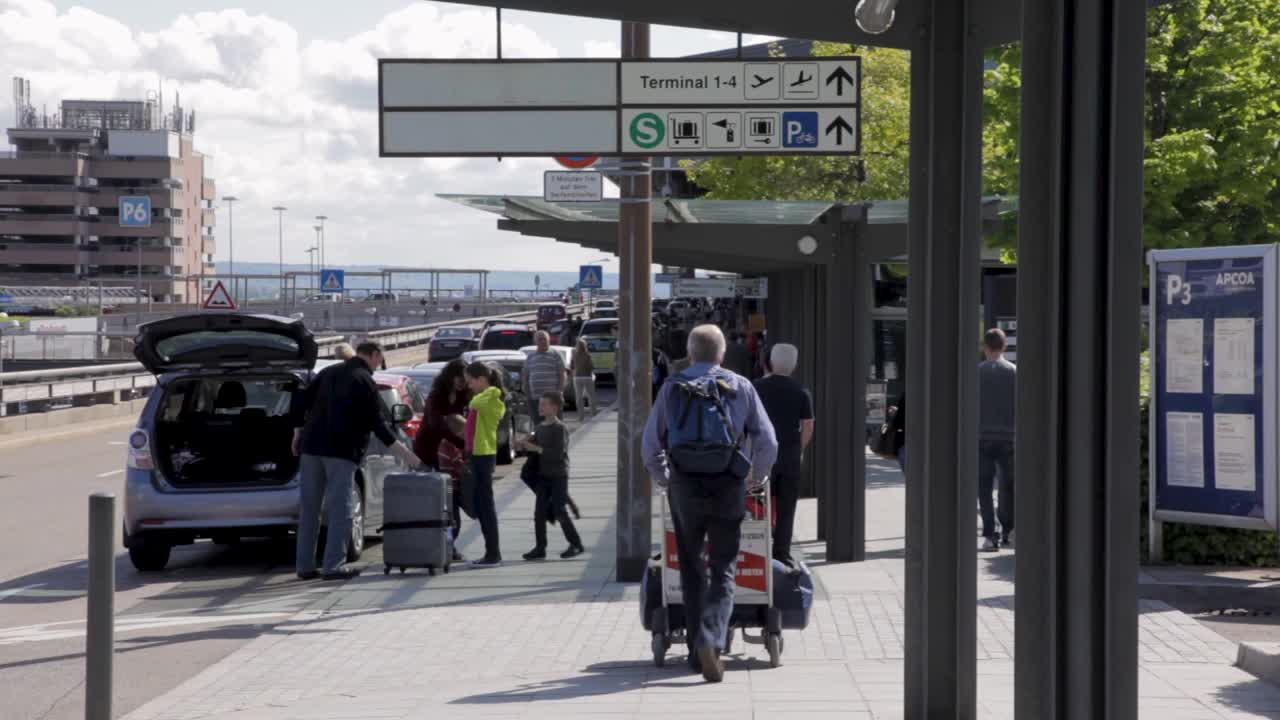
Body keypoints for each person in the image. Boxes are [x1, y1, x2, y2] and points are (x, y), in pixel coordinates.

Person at [642, 324, 778, 683]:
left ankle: (693, 652)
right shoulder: (741, 386)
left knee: (690, 567)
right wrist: (756, 477)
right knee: (723, 567)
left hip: (685, 485)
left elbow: (649, 445)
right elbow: (768, 441)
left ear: (689, 354)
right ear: (721, 354)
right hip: (728, 485)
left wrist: (665, 479)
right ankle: (712, 640)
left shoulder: (671, 387)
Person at [292, 342, 420, 581]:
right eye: (378, 360)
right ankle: (333, 566)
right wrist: (407, 455)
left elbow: (300, 402)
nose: (377, 366)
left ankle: (305, 566)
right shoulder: (364, 380)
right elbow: (377, 424)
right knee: (341, 508)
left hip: (311, 447)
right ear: (373, 355)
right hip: (341, 450)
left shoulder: (327, 373)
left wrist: (298, 433)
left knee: (310, 508)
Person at [752, 343, 815, 566]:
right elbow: (807, 426)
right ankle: (782, 552)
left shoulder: (755, 387)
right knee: (787, 506)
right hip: (789, 454)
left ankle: (759, 547)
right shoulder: (801, 391)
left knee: (760, 503)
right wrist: (799, 448)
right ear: (794, 365)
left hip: (761, 454)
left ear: (769, 362)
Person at [518, 392, 585, 561]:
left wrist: (537, 449)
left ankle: (576, 544)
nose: (540, 407)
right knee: (539, 513)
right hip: (543, 475)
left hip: (558, 475)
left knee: (560, 511)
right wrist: (523, 444)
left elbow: (557, 454)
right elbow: (532, 446)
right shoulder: (540, 428)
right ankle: (540, 547)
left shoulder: (559, 428)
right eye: (540, 404)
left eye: (544, 404)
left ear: (554, 408)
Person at [978, 328, 1017, 551]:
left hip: (981, 437)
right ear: (1004, 347)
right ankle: (1009, 531)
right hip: (1008, 437)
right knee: (1007, 485)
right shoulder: (1014, 371)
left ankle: (990, 535)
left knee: (983, 488)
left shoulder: (976, 372)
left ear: (985, 347)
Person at [465, 361, 507, 568]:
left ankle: (493, 554)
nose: (469, 386)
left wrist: (491, 388)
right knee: (481, 505)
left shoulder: (492, 397)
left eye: (471, 381)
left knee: (486, 505)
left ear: (482, 379)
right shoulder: (486, 397)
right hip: (477, 454)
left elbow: (474, 404)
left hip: (484, 454)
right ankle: (491, 552)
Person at [523, 330, 567, 420]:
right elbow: (525, 376)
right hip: (535, 399)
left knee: (554, 424)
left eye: (545, 339)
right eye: (540, 339)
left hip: (552, 399)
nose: (543, 341)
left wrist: (560, 392)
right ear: (535, 342)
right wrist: (527, 393)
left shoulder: (556, 355)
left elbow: (562, 374)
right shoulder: (531, 357)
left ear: (549, 340)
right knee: (538, 426)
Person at [572, 338, 596, 421]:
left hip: (577, 377)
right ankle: (593, 414)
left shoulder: (574, 354)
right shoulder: (588, 355)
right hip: (587, 377)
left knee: (579, 397)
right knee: (591, 396)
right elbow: (591, 366)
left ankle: (581, 416)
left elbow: (572, 365)